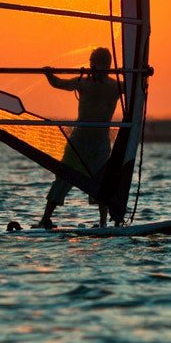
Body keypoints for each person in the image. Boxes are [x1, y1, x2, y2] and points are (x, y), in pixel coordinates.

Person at [37, 47, 125, 229]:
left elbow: (137, 87)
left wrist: (141, 75)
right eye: (93, 66)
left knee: (102, 182)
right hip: (78, 142)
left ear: (108, 67)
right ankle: (45, 219)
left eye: (100, 67)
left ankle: (103, 223)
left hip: (100, 144)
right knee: (62, 178)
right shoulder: (83, 83)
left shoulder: (116, 86)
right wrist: (49, 74)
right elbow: (59, 84)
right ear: (90, 65)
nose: (96, 71)